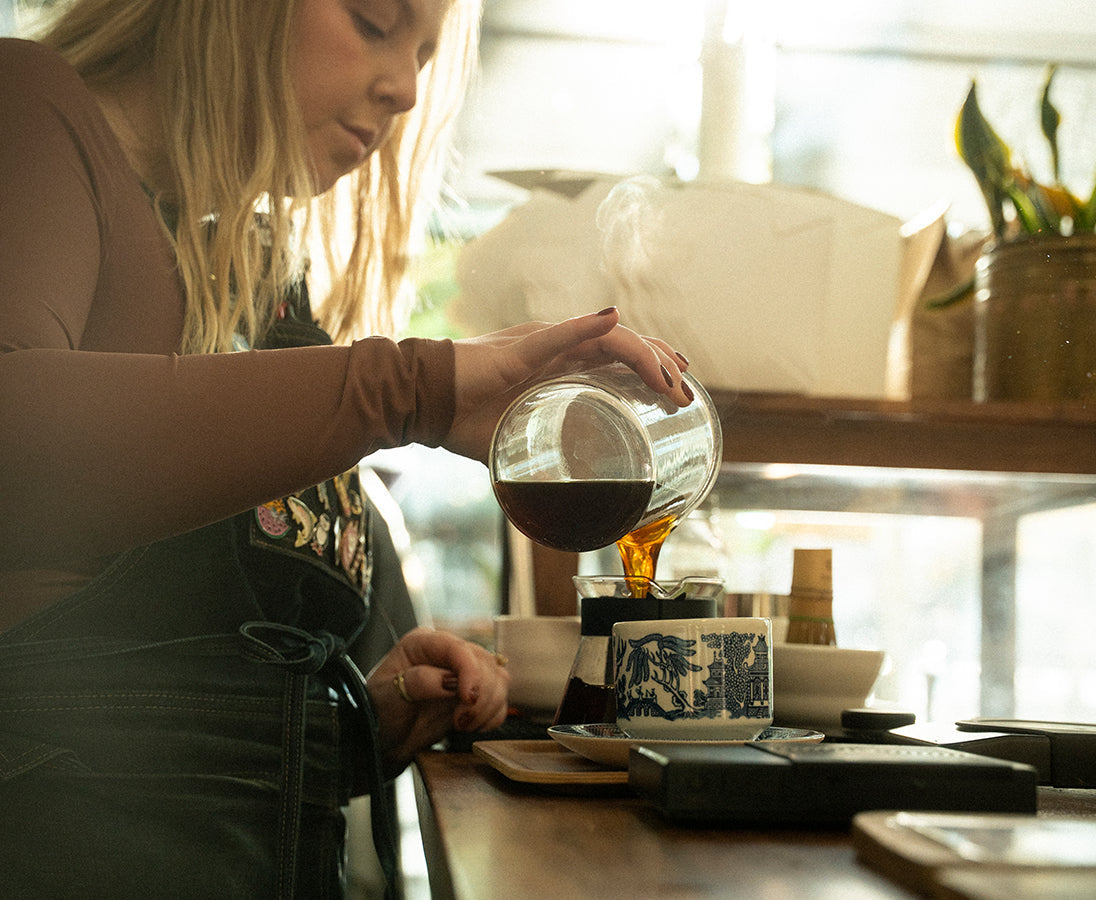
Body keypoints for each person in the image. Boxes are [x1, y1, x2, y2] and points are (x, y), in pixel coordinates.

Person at [0, 1, 694, 896]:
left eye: (424, 53)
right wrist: (407, 389)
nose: (405, 87)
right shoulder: (28, 107)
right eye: (373, 21)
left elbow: (183, 720)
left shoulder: (247, 265)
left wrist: (358, 719)